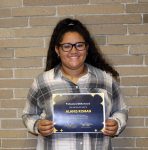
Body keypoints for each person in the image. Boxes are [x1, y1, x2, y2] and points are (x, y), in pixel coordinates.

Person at [22, 18, 128, 150]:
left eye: (79, 45)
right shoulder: (42, 82)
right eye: (66, 46)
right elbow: (28, 114)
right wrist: (37, 125)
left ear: (87, 48)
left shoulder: (106, 80)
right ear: (57, 50)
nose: (74, 51)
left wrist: (117, 123)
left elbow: (121, 110)